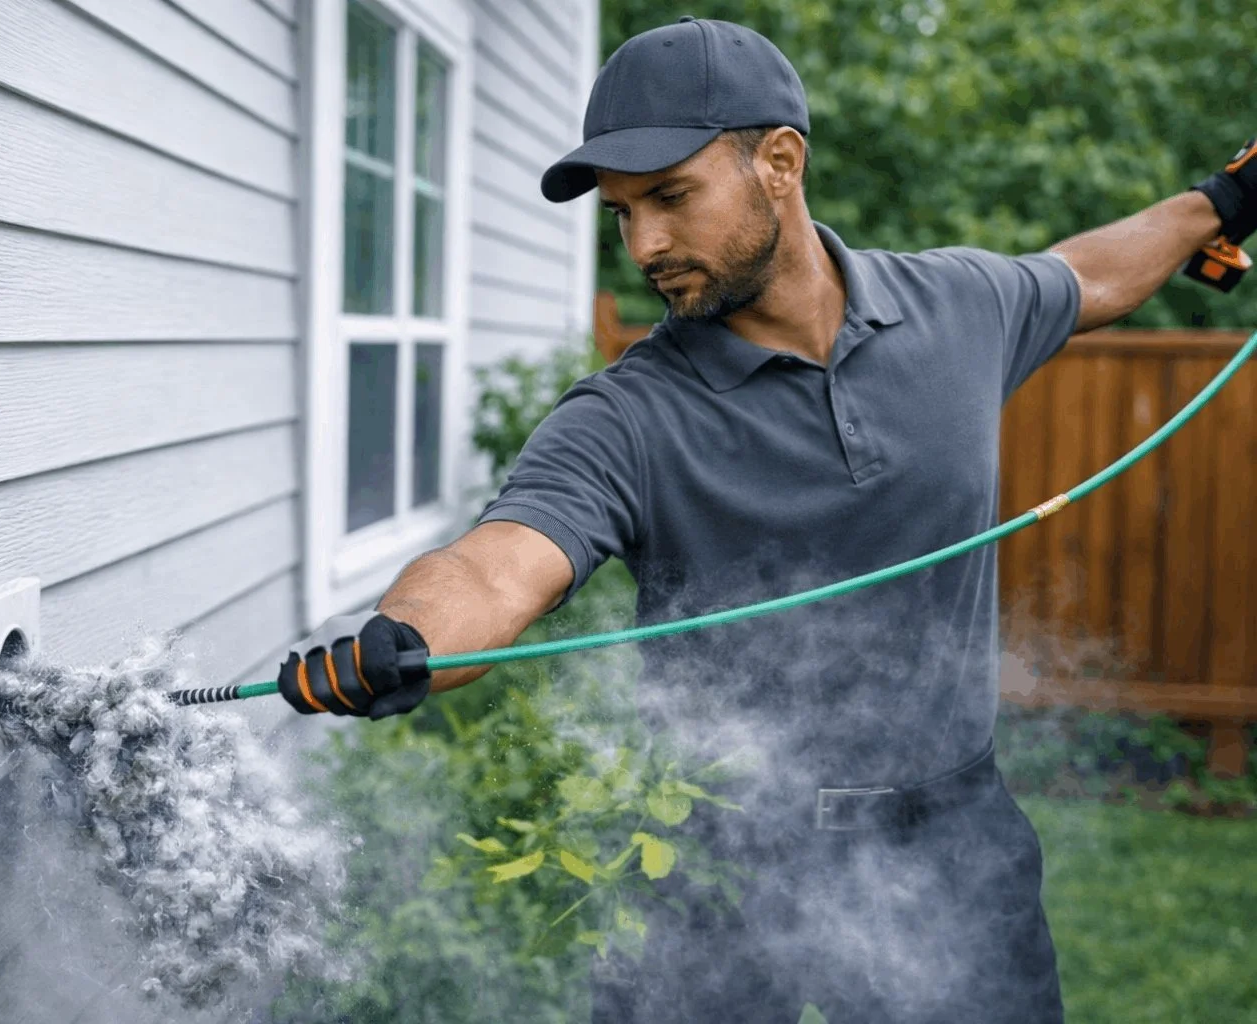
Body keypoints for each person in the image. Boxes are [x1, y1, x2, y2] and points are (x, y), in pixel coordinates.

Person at [275, 15, 1256, 1023]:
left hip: (963, 853)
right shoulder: (628, 414)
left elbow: (1091, 273)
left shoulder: (957, 306)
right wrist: (412, 635)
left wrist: (1221, 201)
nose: (644, 244)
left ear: (779, 162)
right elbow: (498, 566)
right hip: (725, 876)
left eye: (670, 198)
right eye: (621, 215)